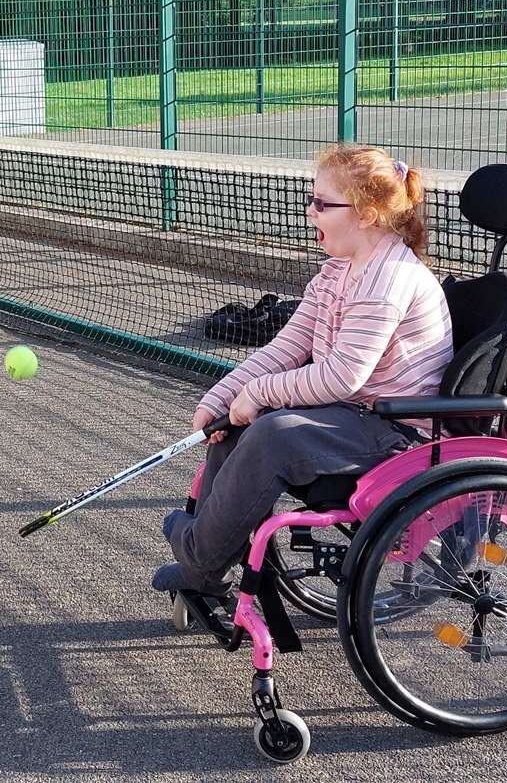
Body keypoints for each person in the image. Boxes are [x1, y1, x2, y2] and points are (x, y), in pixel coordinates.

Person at [154, 145, 454, 594]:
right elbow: (285, 349)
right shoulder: (339, 270)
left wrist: (261, 395)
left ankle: (199, 560)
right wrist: (222, 397)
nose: (310, 212)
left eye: (322, 204)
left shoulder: (389, 279)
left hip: (397, 432)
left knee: (273, 433)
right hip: (356, 413)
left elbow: (341, 376)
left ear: (368, 214)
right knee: (236, 424)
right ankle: (206, 560)